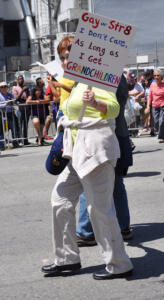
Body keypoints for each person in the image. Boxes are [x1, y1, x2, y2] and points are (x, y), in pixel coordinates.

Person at [41, 36, 133, 280]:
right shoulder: (78, 82)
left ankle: (119, 263)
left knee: (99, 209)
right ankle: (67, 259)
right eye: (62, 56)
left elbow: (114, 108)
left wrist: (98, 102)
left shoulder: (98, 79)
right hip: (76, 151)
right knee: (60, 200)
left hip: (95, 149)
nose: (65, 59)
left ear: (82, 53)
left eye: (69, 53)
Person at [76, 74, 133, 246]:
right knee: (114, 183)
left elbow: (117, 104)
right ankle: (122, 227)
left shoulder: (110, 75)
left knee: (94, 181)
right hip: (112, 134)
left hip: (109, 134)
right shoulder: (109, 75)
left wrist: (95, 101)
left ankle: (87, 231)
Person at [145, 68, 164, 143]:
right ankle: (161, 134)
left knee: (162, 121)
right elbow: (149, 96)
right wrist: (147, 106)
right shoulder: (152, 85)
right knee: (156, 122)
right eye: (155, 75)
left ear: (161, 76)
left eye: (158, 75)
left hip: (163, 105)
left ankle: (162, 137)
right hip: (155, 106)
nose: (156, 77)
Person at [12, 75, 31, 145]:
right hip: (19, 108)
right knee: (20, 124)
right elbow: (16, 98)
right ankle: (20, 140)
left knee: (26, 125)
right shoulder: (15, 88)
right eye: (19, 79)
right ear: (17, 80)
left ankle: (25, 140)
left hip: (27, 108)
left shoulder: (26, 87)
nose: (21, 80)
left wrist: (27, 92)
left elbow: (30, 96)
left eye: (22, 79)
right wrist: (23, 90)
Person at [0, 81, 19, 148]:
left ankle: (15, 143)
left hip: (10, 113)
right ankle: (2, 145)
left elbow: (14, 100)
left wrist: (13, 101)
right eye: (2, 87)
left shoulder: (10, 94)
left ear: (7, 87)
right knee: (1, 130)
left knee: (13, 128)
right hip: (2, 114)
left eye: (5, 87)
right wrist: (5, 104)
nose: (3, 88)